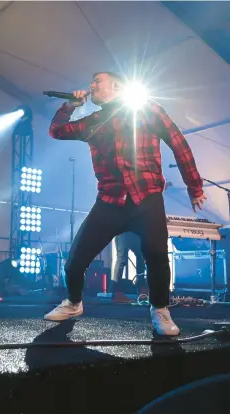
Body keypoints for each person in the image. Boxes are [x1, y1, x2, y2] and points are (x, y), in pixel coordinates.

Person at [44, 72, 206, 335]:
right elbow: (57, 131)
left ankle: (160, 309)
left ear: (116, 86)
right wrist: (70, 106)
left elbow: (178, 143)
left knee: (156, 255)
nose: (92, 85)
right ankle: (73, 303)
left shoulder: (147, 110)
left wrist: (194, 186)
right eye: (91, 81)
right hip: (110, 200)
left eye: (98, 81)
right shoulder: (94, 121)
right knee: (75, 260)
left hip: (147, 198)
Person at [111, 231, 146, 301]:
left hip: (134, 231)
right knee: (121, 259)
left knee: (141, 257)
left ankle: (141, 288)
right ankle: (117, 293)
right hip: (123, 230)